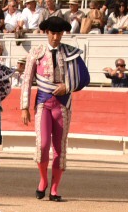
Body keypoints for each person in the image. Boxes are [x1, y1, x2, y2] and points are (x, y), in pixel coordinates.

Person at [20, 15, 87, 199]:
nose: (56, 37)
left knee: (59, 148)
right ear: (46, 32)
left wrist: (69, 86)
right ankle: (43, 180)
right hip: (43, 103)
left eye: (59, 33)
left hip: (63, 105)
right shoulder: (36, 52)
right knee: (42, 145)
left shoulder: (70, 53)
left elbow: (85, 77)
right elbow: (26, 80)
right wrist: (24, 106)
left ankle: (55, 189)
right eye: (53, 33)